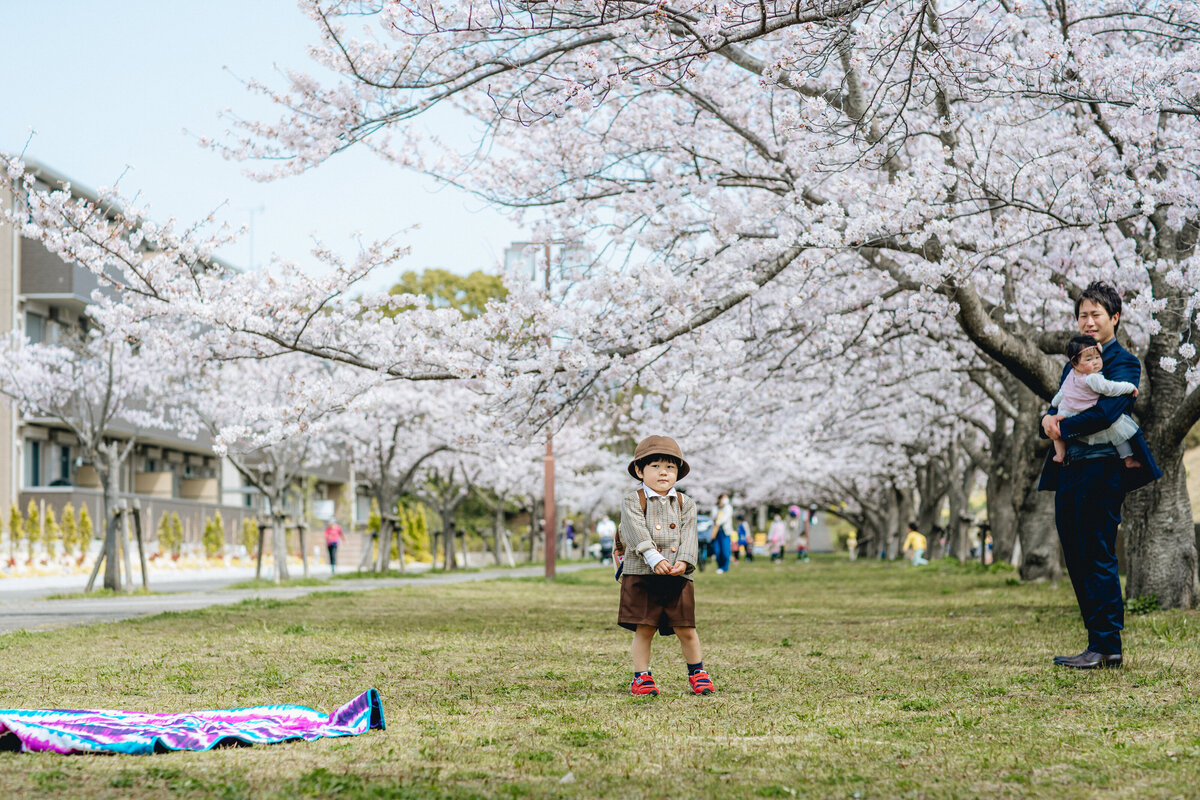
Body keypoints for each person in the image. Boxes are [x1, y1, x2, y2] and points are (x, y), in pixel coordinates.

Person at [1040, 281, 1161, 670]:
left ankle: (1108, 644)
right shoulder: (1073, 359)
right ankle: (1098, 642)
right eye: (1083, 315)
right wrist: (1046, 418)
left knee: (1097, 552)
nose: (1088, 321)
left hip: (1102, 467)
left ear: (1114, 318)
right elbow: (1058, 401)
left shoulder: (1124, 362)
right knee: (1075, 554)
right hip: (1071, 468)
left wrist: (1063, 426)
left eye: (1096, 314)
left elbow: (1107, 413)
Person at [618, 435, 714, 697]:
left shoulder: (685, 503)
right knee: (644, 627)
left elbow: (690, 535)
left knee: (686, 627)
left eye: (670, 467)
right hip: (642, 573)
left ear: (678, 473)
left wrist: (684, 560)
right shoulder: (632, 501)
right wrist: (653, 557)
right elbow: (635, 531)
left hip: (677, 574)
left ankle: (698, 672)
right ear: (640, 470)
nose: (663, 472)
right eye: (655, 466)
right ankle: (641, 677)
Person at [1050, 335, 1142, 469]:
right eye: (1089, 359)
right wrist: (1129, 387)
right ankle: (1128, 459)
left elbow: (1062, 392)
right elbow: (1111, 388)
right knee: (1117, 432)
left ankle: (1060, 454)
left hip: (1065, 410)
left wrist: (1054, 404)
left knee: (1057, 432)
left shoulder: (1072, 374)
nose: (1095, 362)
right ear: (1075, 363)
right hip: (1082, 411)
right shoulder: (1093, 379)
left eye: (1097, 357)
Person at [711, 493, 733, 574]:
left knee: (725, 550)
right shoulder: (715, 508)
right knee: (717, 550)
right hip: (716, 531)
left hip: (725, 531)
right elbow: (713, 517)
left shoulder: (728, 508)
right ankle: (719, 566)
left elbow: (725, 518)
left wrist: (719, 522)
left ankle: (725, 567)